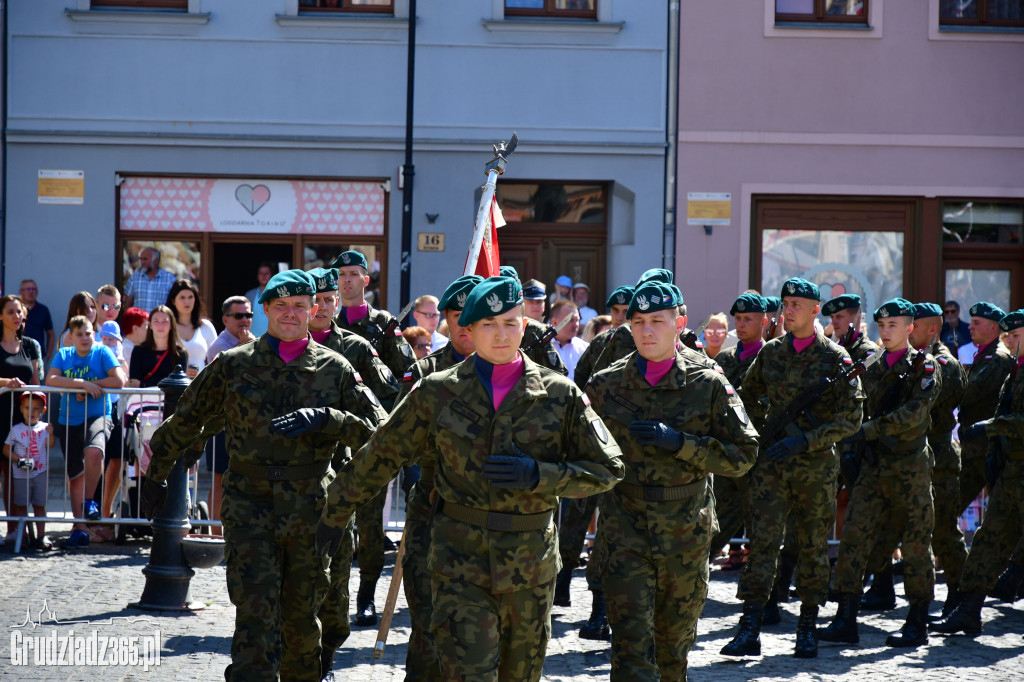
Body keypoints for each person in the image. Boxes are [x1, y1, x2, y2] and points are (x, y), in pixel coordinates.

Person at [316, 275, 625, 682]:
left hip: (530, 565)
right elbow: (379, 455)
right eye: (489, 325)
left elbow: (608, 468)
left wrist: (540, 475)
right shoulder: (437, 392)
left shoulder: (559, 394)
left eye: (511, 324)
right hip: (459, 562)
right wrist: (332, 514)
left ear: (524, 326)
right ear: (468, 330)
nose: (501, 335)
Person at [143, 269, 387, 682]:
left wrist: (329, 419)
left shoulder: (336, 368)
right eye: (280, 306)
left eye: (299, 306)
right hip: (249, 502)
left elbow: (381, 434)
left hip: (311, 505)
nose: (290, 314)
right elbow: (186, 419)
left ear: (313, 310)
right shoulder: (233, 366)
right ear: (265, 310)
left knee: (301, 619)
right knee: (254, 614)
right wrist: (156, 473)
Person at [587, 281, 759, 680]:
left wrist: (683, 444)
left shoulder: (709, 384)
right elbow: (580, 450)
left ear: (679, 323)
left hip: (684, 531)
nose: (647, 331)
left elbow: (744, 455)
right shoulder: (605, 384)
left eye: (658, 322)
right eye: (639, 322)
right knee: (629, 648)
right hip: (625, 529)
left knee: (672, 649)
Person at [721, 277, 863, 659]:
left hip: (814, 468)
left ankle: (807, 626)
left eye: (798, 303)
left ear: (816, 309)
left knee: (813, 547)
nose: (789, 310)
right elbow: (744, 399)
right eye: (785, 303)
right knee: (762, 544)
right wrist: (758, 434)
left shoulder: (836, 358)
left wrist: (805, 440)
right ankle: (750, 625)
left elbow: (851, 417)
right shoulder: (770, 354)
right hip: (772, 465)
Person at [819, 298, 940, 649]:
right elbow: (854, 405)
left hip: (909, 468)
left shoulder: (925, 366)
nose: (886, 332)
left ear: (909, 329)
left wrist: (864, 432)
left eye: (893, 326)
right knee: (854, 537)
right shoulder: (869, 363)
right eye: (882, 326)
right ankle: (846, 617)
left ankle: (917, 620)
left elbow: (913, 415)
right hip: (873, 467)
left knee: (916, 544)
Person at [303, 265, 401, 675]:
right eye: (318, 301)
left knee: (352, 549)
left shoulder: (358, 348)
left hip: (352, 465)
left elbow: (393, 391)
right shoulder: (280, 349)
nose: (324, 306)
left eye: (331, 300)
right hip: (301, 477)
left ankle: (346, 620)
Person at [394, 273, 481, 680]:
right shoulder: (425, 375)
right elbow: (395, 440)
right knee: (428, 630)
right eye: (456, 315)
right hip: (434, 513)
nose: (465, 324)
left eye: (473, 313)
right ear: (444, 319)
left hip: (492, 526)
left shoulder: (515, 375)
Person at [858, 302, 968, 617]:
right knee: (888, 526)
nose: (906, 330)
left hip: (938, 457)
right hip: (907, 458)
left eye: (914, 325)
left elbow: (923, 409)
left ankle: (960, 596)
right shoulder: (904, 362)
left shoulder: (942, 364)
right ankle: (881, 588)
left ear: (931, 329)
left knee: (943, 530)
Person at [931, 308, 1024, 636]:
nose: (1008, 341)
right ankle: (968, 608)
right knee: (988, 538)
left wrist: (991, 427)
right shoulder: (1016, 368)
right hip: (1011, 470)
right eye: (1008, 336)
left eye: (1014, 336)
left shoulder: (1006, 362)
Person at [46, 315, 126, 549]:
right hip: (69, 419)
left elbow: (119, 380)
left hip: (99, 415)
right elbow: (50, 378)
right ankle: (80, 528)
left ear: (95, 334)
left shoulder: (102, 352)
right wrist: (81, 384)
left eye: (88, 333)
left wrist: (93, 386)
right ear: (71, 337)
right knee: (75, 472)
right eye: (79, 334)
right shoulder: (64, 354)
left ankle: (90, 501)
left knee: (94, 453)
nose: (84, 338)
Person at [709, 293, 769, 572]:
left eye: (749, 319)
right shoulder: (724, 358)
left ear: (764, 322)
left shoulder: (771, 356)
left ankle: (758, 597)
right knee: (713, 521)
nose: (741, 325)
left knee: (759, 525)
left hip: (758, 454)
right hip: (725, 451)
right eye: (739, 319)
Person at [957, 302, 1014, 521]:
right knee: (948, 509)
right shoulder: (984, 355)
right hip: (977, 448)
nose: (970, 327)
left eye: (976, 323)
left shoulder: (997, 357)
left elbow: (971, 392)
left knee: (1002, 517)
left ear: (993, 327)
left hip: (989, 448)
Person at [0, 295, 45, 541]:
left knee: (15, 474)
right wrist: (8, 383)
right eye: (10, 312)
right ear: (1, 316)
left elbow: (37, 382)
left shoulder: (30, 345)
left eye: (19, 312)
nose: (16, 316)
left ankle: (16, 530)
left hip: (21, 419)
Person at [3, 391, 54, 550]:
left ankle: (41, 535)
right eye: (27, 408)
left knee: (39, 505)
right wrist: (19, 460)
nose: (30, 412)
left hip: (40, 472)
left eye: (35, 409)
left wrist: (51, 435)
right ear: (21, 409)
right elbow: (6, 450)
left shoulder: (45, 427)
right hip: (20, 474)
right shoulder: (16, 429)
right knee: (21, 505)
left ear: (42, 410)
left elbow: (50, 445)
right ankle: (22, 535)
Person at [166, 279, 217, 379]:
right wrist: (183, 371)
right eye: (182, 298)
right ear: (173, 301)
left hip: (201, 387)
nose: (187, 301)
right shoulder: (167, 326)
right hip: (173, 386)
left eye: (190, 297)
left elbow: (216, 359)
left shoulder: (206, 326)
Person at [823, 294, 879, 363]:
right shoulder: (833, 349)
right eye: (832, 317)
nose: (833, 322)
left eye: (839, 317)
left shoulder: (869, 352)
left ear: (857, 317)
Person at [123, 247, 176, 313]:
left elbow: (175, 303)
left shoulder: (169, 279)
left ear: (156, 260)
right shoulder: (134, 278)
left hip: (160, 322)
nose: (142, 262)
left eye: (145, 259)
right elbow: (127, 304)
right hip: (138, 322)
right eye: (141, 259)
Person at [206, 297, 256, 362]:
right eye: (239, 316)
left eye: (248, 315)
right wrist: (246, 347)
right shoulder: (219, 347)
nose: (245, 319)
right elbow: (235, 370)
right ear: (225, 320)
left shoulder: (250, 339)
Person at [549, 300, 587, 381]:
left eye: (577, 320)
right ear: (555, 322)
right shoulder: (542, 347)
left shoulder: (584, 349)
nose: (575, 325)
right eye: (570, 320)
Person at [19, 280, 54, 364]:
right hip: (18, 354)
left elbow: (50, 333)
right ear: (21, 292)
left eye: (33, 289)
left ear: (37, 292)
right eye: (28, 289)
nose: (31, 292)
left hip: (39, 356)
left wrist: (48, 354)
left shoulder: (43, 310)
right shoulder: (16, 310)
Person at [245, 262, 275, 338]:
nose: (263, 276)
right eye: (261, 273)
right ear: (257, 276)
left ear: (272, 275)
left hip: (272, 339)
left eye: (266, 273)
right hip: (252, 340)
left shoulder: (276, 295)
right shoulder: (249, 295)